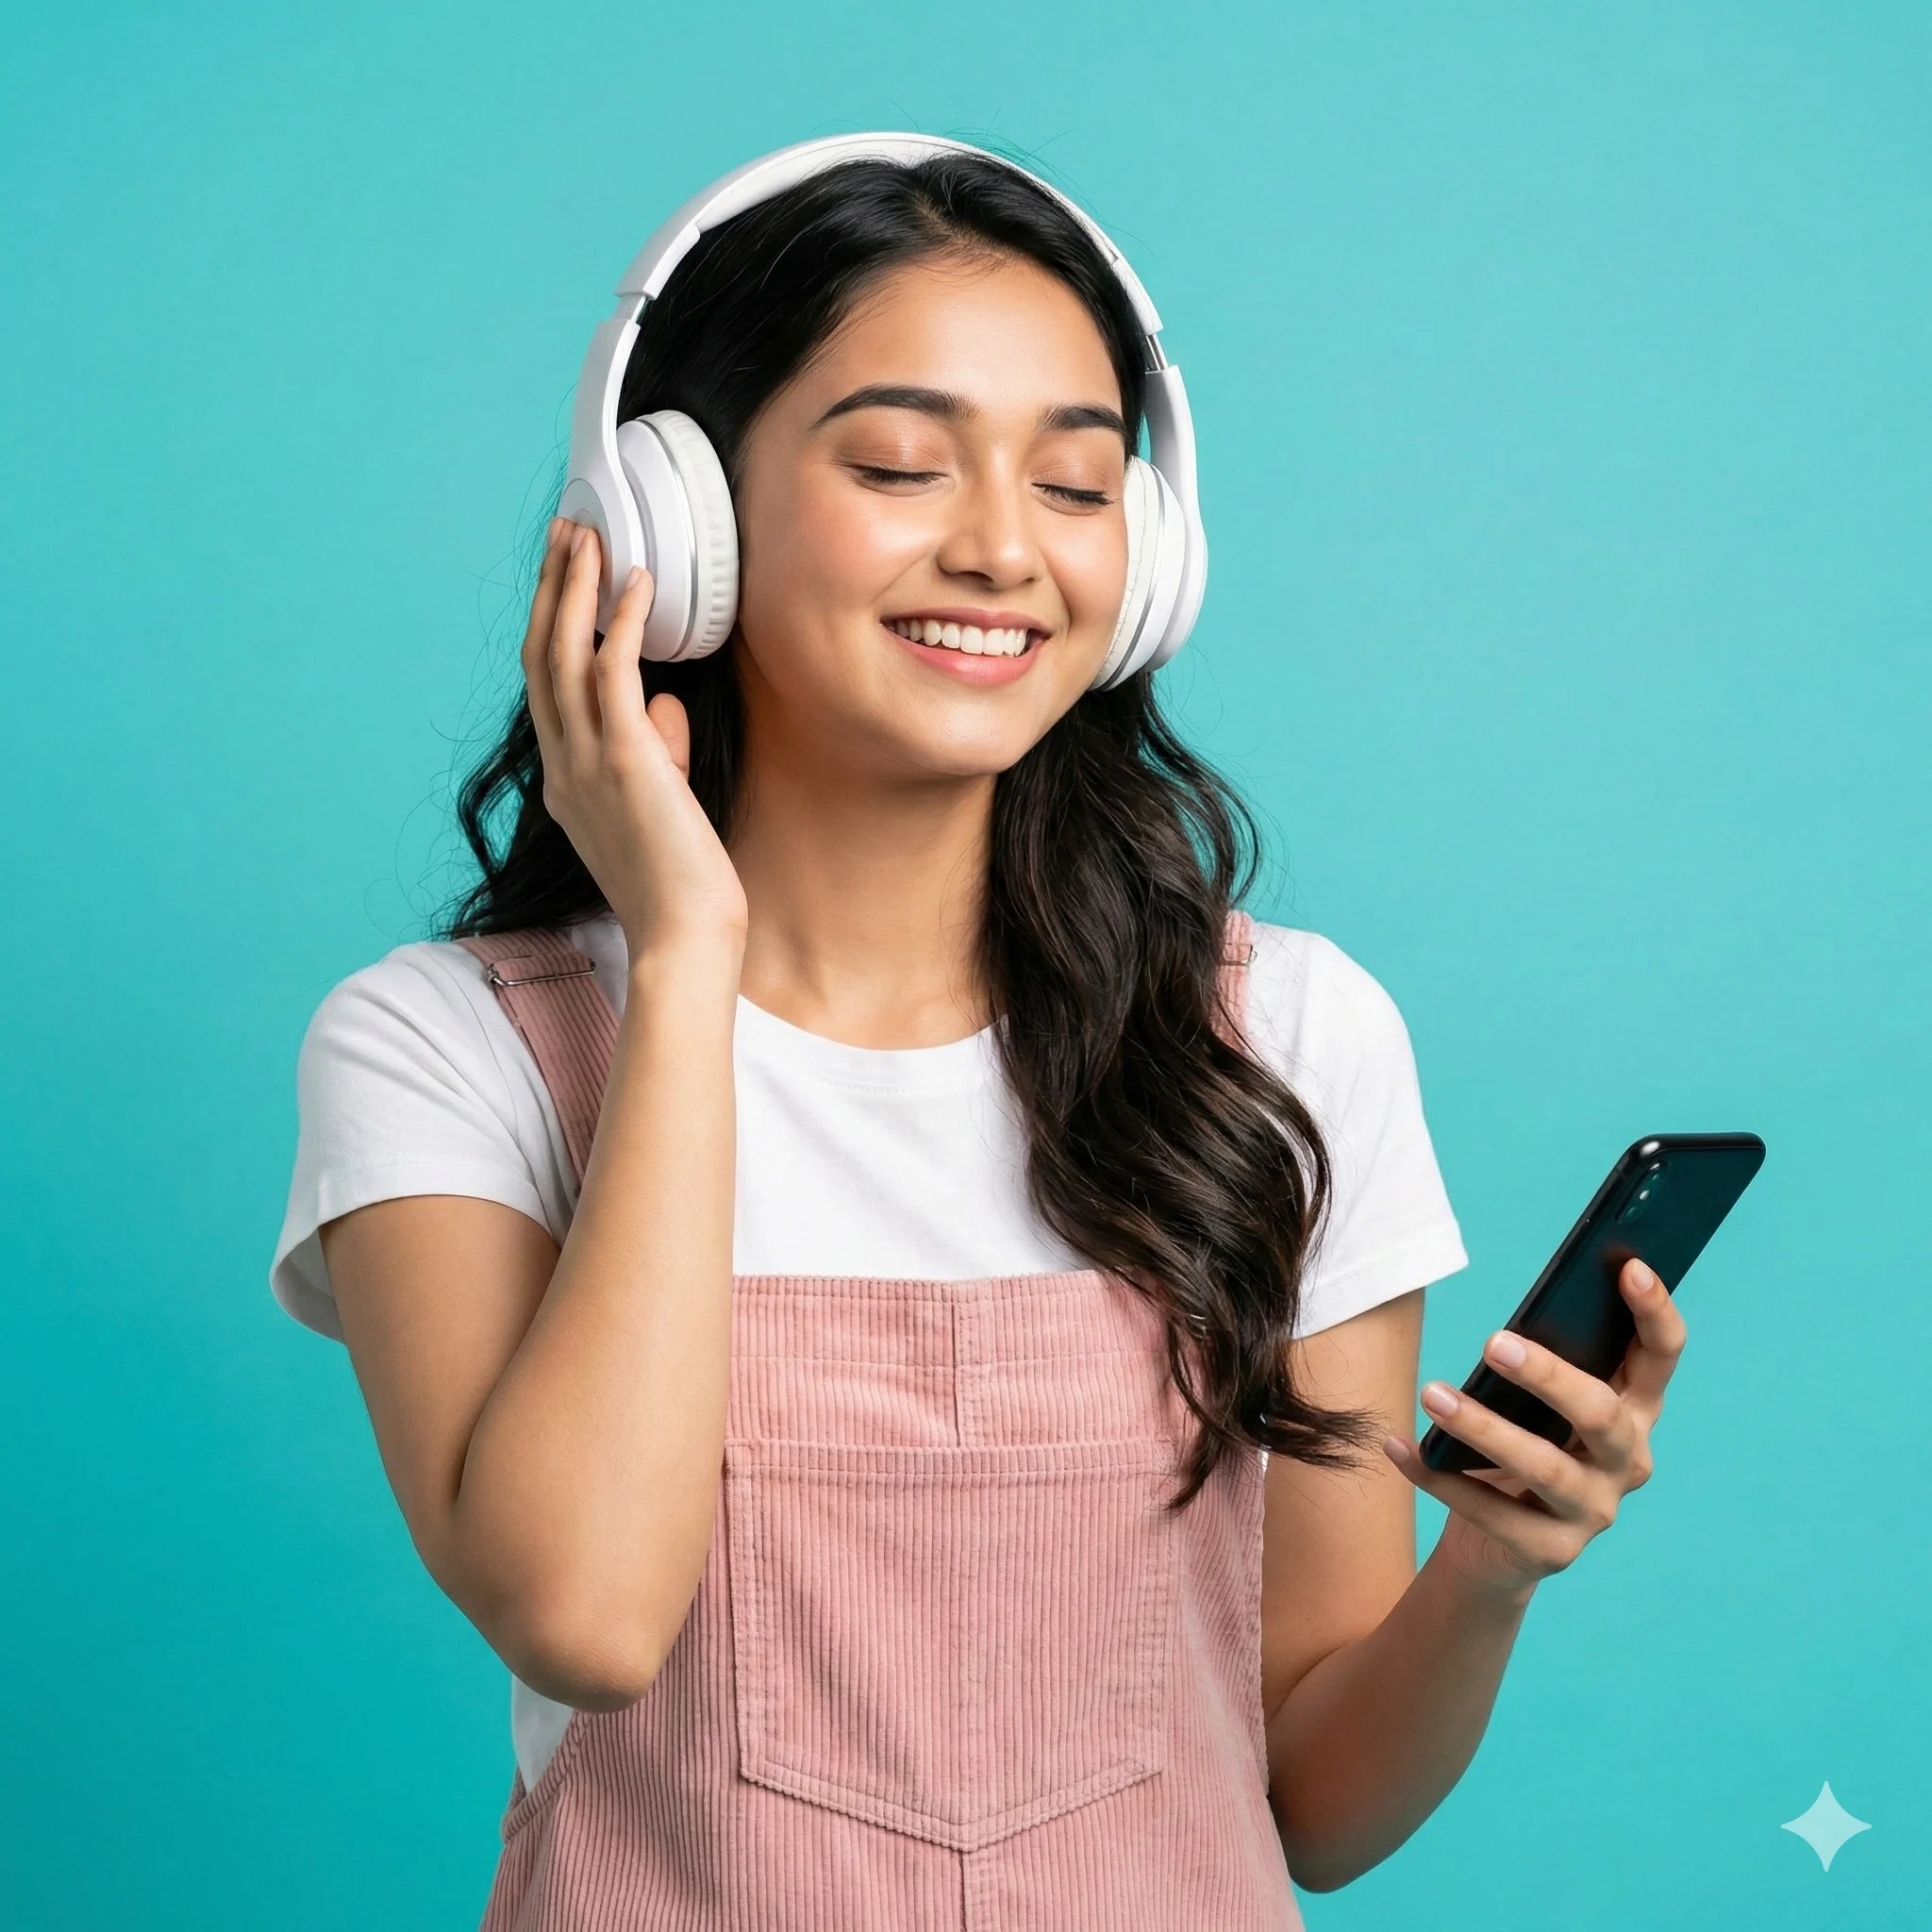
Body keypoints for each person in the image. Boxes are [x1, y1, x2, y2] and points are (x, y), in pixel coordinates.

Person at [272, 139, 1682, 1929]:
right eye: (896, 464)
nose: (1004, 549)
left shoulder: (1289, 1040)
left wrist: (1489, 1566)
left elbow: (1309, 1806)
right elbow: (588, 1613)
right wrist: (687, 955)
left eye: (1079, 487)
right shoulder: (447, 1053)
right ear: (672, 527)